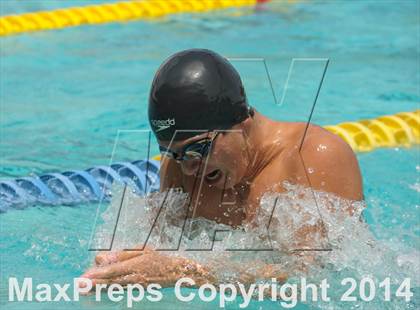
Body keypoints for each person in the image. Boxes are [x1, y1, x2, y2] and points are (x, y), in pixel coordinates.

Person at [81, 49, 363, 289]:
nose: (188, 169)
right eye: (173, 153)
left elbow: (316, 279)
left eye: (198, 149)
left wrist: (185, 272)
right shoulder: (179, 168)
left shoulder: (313, 156)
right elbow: (163, 251)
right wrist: (125, 264)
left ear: (242, 124)